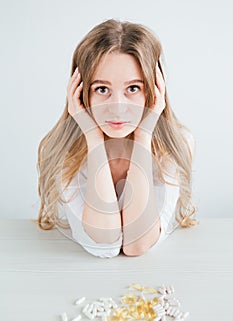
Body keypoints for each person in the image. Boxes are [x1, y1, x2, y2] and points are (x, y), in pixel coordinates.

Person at [37, 19, 198, 258]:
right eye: (102, 89)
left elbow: (137, 245)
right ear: (80, 93)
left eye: (133, 88)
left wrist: (143, 136)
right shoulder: (63, 151)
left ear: (155, 91)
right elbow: (103, 246)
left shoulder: (175, 145)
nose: (118, 108)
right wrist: (93, 138)